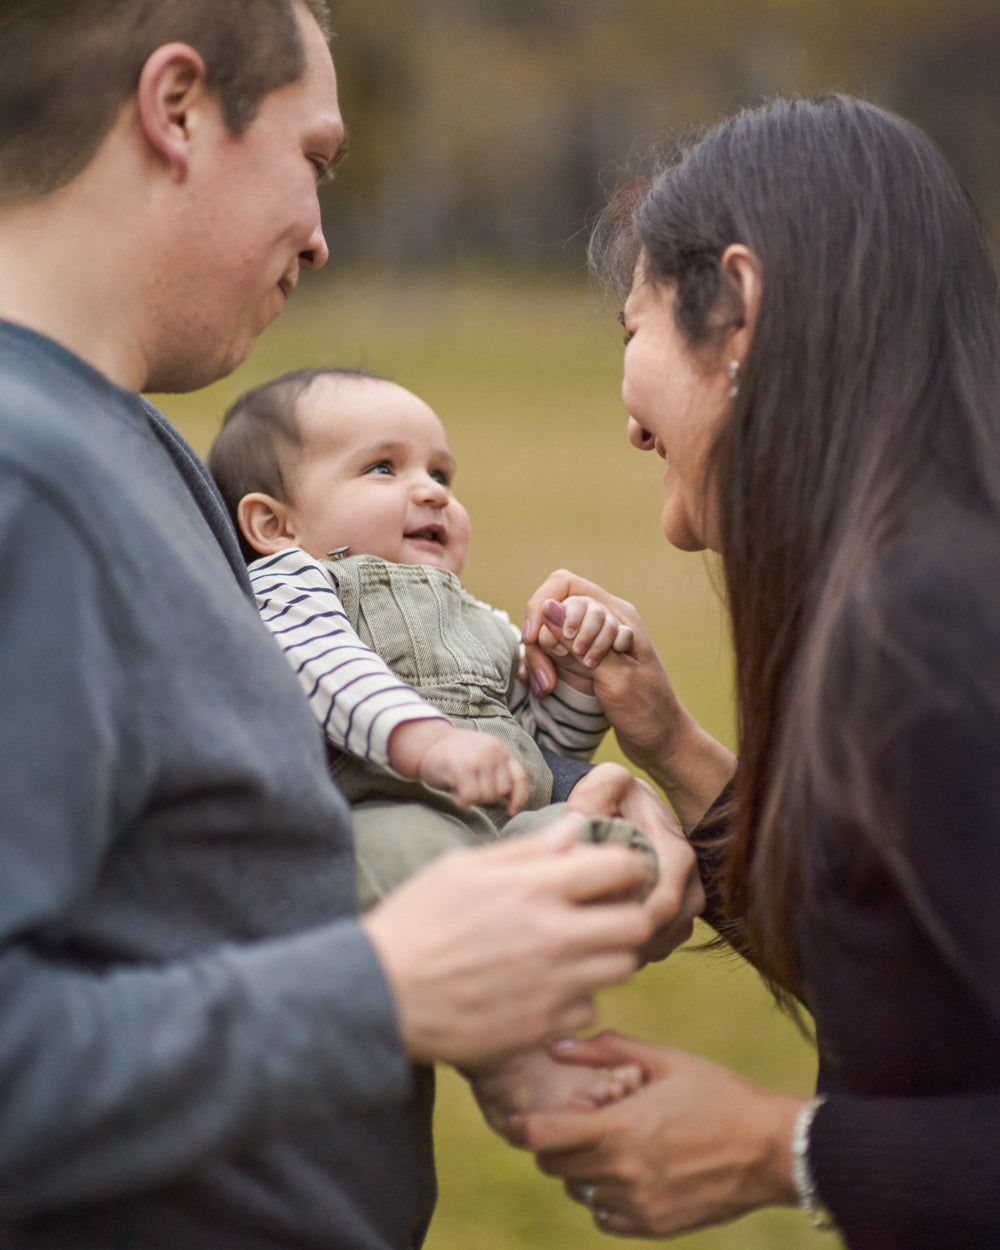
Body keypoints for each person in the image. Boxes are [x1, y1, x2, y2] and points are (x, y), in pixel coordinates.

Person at [0, 3, 706, 1247]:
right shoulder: (27, 479)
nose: (322, 236)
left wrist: (534, 852)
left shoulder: (135, 446)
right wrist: (382, 989)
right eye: (314, 159)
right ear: (177, 111)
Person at [514, 94, 1000, 1249]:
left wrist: (771, 1146)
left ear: (736, 308)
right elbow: (932, 1004)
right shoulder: (926, 581)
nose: (632, 426)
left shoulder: (923, 629)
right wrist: (674, 748)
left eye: (632, 329)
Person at [207, 365, 659, 910]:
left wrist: (579, 679)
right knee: (409, 847)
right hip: (375, 817)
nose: (433, 492)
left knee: (573, 824)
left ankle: (579, 873)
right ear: (275, 527)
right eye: (383, 467)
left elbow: (544, 750)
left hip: (496, 825)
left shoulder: (478, 619)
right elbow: (329, 670)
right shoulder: (289, 587)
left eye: (441, 474)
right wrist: (432, 743)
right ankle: (491, 912)